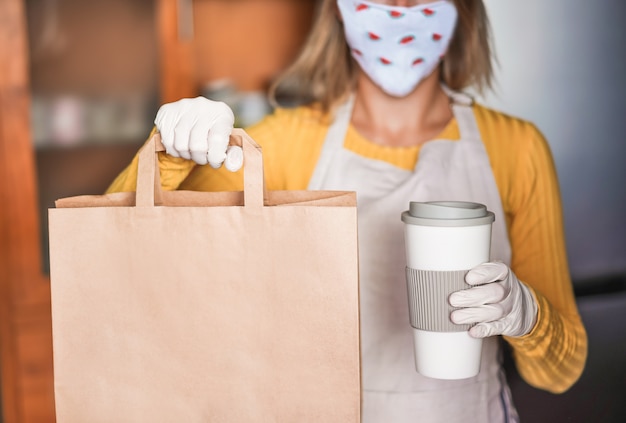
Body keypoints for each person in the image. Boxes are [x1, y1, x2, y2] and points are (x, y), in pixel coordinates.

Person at [107, 0, 588, 421]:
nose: (399, 6)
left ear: (463, 8)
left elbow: (559, 374)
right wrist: (168, 155)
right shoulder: (284, 145)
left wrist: (526, 315)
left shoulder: (517, 148)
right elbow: (118, 255)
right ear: (337, 8)